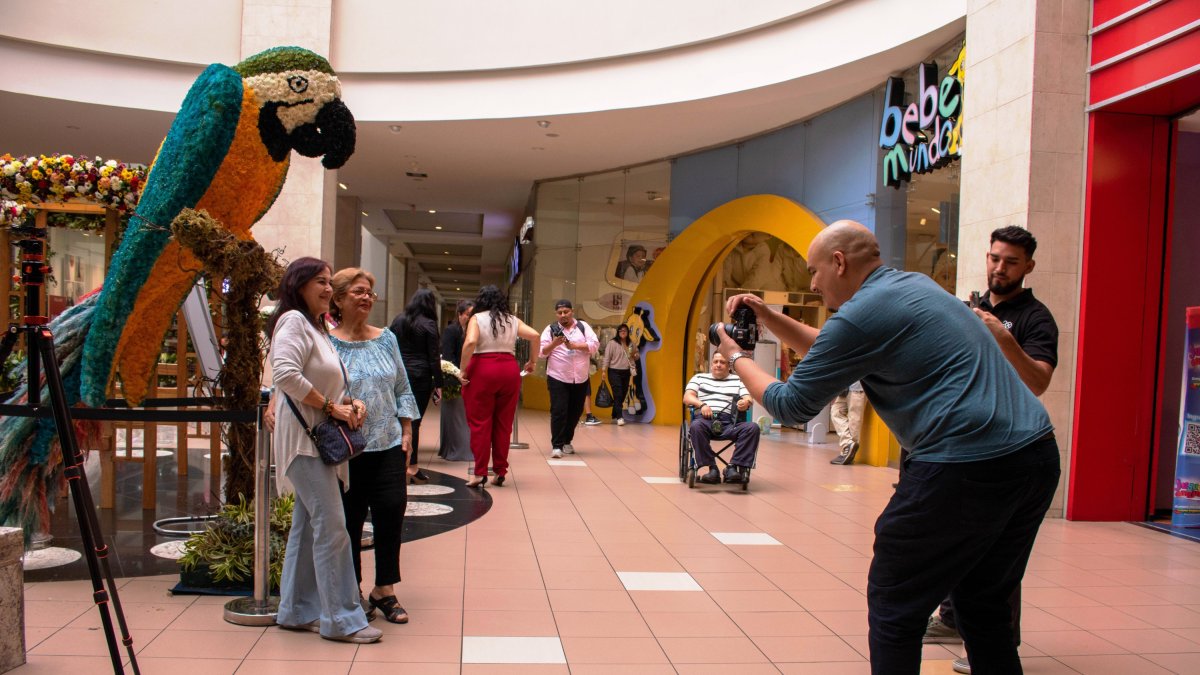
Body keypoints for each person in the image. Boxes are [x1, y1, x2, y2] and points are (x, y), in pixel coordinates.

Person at [713, 221, 1059, 674]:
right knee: (984, 602)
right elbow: (833, 347)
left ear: (839, 262)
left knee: (896, 601)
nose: (813, 284)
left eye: (814, 271)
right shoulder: (914, 286)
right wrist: (769, 318)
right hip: (1034, 455)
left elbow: (791, 404)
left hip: (965, 464)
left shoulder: (861, 314)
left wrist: (735, 356)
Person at [925, 225, 1059, 674]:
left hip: (1011, 450)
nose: (1000, 268)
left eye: (1011, 262)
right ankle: (952, 618)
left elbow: (1038, 381)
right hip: (962, 445)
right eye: (995, 258)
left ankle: (995, 643)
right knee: (956, 542)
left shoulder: (1036, 319)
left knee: (998, 555)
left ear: (1028, 266)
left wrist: (1003, 338)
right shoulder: (971, 307)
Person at [266, 256, 380, 644]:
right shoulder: (294, 321)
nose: (328, 288)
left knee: (305, 528)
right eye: (320, 281)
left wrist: (350, 403)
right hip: (304, 444)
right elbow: (284, 374)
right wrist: (332, 408)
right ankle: (341, 619)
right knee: (333, 529)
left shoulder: (317, 328)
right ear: (298, 285)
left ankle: (296, 610)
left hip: (316, 441)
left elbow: (327, 382)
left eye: (330, 282)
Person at [328, 268, 420, 624]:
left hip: (388, 443)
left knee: (391, 512)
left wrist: (407, 430)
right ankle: (351, 590)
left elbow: (402, 387)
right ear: (338, 299)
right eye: (359, 292)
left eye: (370, 292)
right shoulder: (327, 343)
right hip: (346, 448)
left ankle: (384, 589)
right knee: (349, 520)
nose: (367, 297)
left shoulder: (386, 338)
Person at [460, 285, 539, 487]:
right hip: (509, 370)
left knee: (480, 423)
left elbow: (470, 342)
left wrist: (462, 370)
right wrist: (532, 361)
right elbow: (535, 335)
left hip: (482, 369)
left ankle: (479, 472)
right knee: (504, 424)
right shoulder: (512, 320)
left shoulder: (476, 319)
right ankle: (500, 471)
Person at [388, 289, 443, 484]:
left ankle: (397, 464)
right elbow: (434, 357)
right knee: (414, 421)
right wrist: (439, 384)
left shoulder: (398, 320)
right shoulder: (429, 324)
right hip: (420, 376)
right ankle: (411, 466)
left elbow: (389, 346)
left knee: (398, 418)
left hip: (398, 374)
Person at [682, 352, 758, 484]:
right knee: (695, 426)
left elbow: (748, 398)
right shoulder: (699, 378)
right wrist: (702, 405)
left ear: (729, 366)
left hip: (730, 422)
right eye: (715, 362)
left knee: (752, 428)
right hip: (705, 419)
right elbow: (687, 397)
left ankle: (732, 467)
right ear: (711, 364)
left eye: (722, 362)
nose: (718, 365)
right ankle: (712, 468)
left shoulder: (738, 380)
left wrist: (745, 402)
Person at [539, 299, 599, 458]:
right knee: (559, 411)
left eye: (566, 312)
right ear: (556, 314)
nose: (563, 315)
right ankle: (557, 445)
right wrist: (554, 343)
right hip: (557, 377)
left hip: (580, 378)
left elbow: (595, 345)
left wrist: (574, 346)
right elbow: (541, 352)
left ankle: (567, 441)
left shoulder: (583, 327)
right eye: (559, 313)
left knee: (575, 412)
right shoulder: (550, 329)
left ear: (572, 312)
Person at [601, 323, 638, 426]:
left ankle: (614, 415)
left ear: (628, 332)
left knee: (623, 394)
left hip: (626, 372)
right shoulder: (612, 343)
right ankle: (619, 417)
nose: (623, 332)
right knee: (618, 394)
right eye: (621, 330)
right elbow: (607, 357)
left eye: (625, 330)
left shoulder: (631, 343)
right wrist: (604, 370)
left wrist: (635, 354)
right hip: (614, 371)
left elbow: (636, 356)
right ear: (618, 332)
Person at [829, 381, 865, 465]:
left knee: (854, 420)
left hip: (858, 387)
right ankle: (848, 443)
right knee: (836, 411)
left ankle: (847, 452)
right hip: (844, 388)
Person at [441, 299, 475, 367]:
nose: (470, 318)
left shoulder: (473, 330)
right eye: (468, 314)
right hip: (457, 369)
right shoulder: (450, 330)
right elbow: (448, 356)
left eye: (472, 315)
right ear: (459, 314)